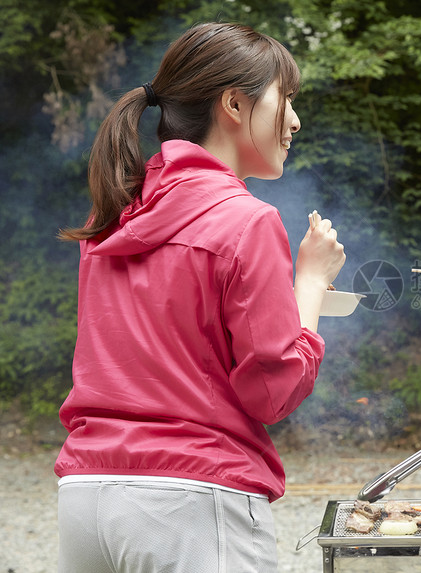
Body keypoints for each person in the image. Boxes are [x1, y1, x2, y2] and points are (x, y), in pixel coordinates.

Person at [54, 22, 345, 572]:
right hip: (191, 502)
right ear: (235, 104)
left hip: (86, 494)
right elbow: (271, 390)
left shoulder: (111, 215)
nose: (296, 120)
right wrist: (309, 284)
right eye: (287, 100)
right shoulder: (247, 221)